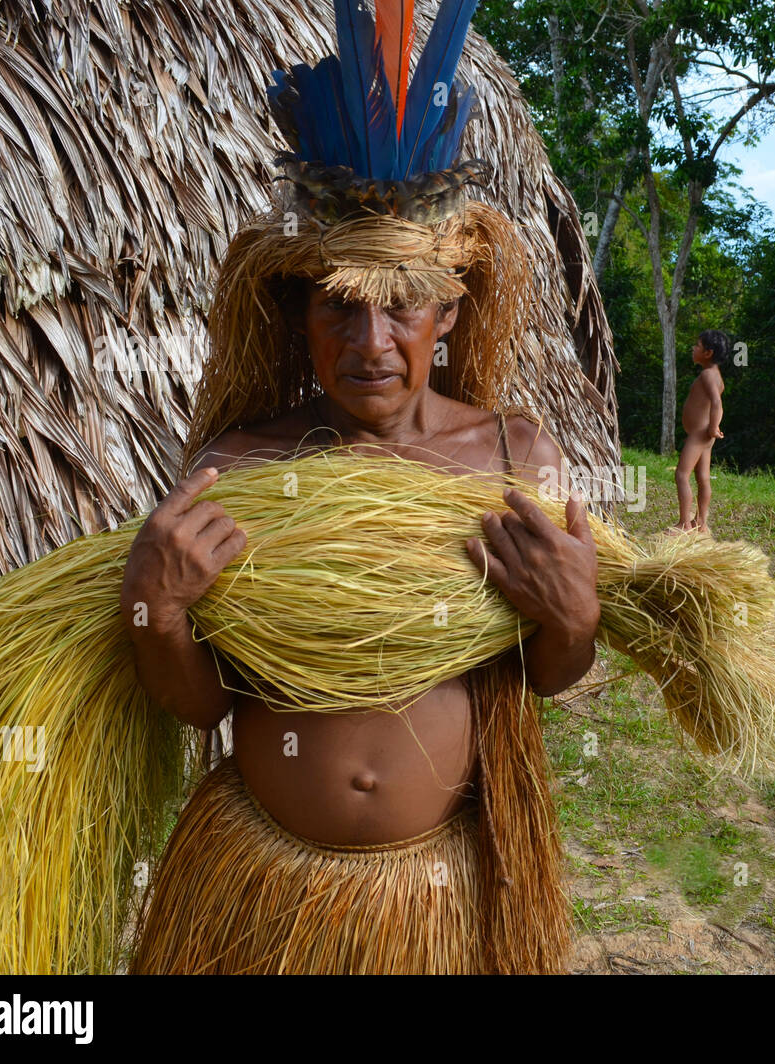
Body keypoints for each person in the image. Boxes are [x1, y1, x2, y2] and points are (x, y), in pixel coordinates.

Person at [119, 0, 591, 974]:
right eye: (339, 307)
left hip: (438, 893)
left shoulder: (515, 459)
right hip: (253, 891)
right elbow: (200, 708)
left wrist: (573, 616)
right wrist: (157, 616)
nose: (370, 343)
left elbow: (546, 672)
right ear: (298, 314)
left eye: (401, 307)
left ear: (450, 313)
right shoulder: (238, 467)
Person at [672, 329, 729, 535]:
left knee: (681, 475)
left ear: (708, 353)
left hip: (699, 434)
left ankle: (684, 524)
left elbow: (717, 402)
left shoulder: (707, 375)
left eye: (697, 345)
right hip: (704, 434)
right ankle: (701, 523)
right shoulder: (715, 375)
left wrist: (713, 426)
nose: (693, 348)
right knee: (702, 477)